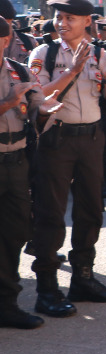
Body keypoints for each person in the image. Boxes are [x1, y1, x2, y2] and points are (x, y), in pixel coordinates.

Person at [28, 0, 106, 317]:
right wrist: (72, 70)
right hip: (57, 140)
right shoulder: (45, 53)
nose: (62, 23)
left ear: (88, 21)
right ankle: (46, 288)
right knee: (51, 214)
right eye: (60, 17)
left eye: (70, 18)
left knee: (91, 210)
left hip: (92, 139)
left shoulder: (100, 53)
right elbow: (38, 96)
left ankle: (83, 278)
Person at [0, 18, 45, 328]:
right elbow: (13, 102)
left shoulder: (19, 69)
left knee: (14, 232)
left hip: (16, 159)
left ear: (6, 40)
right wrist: (8, 102)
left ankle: (7, 304)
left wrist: (47, 109)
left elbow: (38, 106)